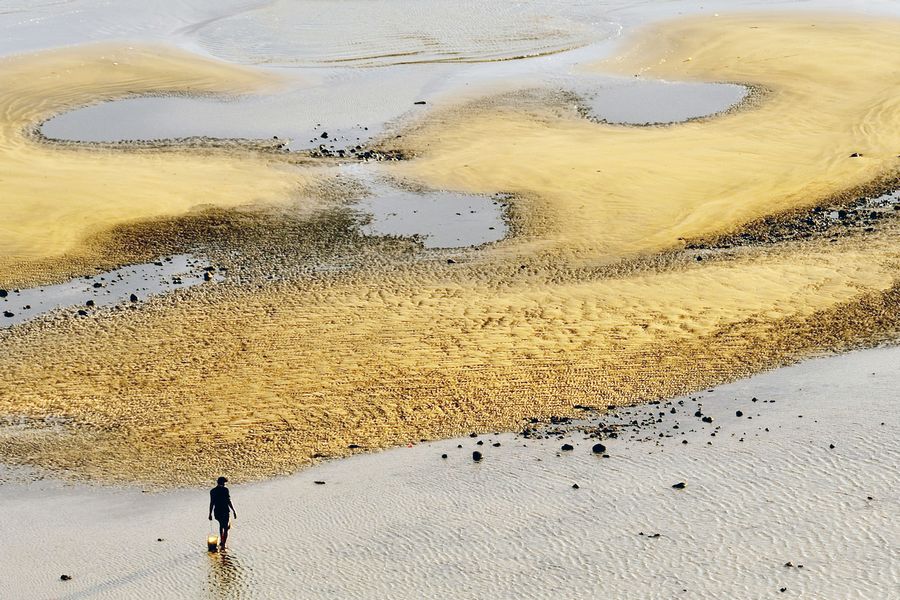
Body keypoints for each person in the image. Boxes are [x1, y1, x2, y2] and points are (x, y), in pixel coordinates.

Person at [208, 476, 237, 549]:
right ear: (222, 483)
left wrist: (210, 514)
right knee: (226, 528)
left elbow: (212, 503)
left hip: (217, 511)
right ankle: (223, 543)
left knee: (221, 525)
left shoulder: (213, 491)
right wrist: (233, 510)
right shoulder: (225, 490)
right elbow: (228, 501)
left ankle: (222, 540)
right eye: (224, 483)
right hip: (225, 510)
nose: (224, 484)